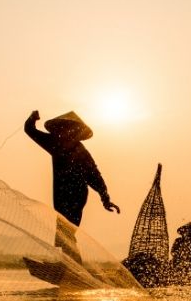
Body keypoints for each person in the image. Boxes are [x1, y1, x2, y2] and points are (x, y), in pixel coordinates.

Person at [25, 110, 120, 261]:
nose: (66, 131)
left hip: (76, 194)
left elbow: (94, 175)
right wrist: (32, 118)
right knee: (63, 233)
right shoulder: (56, 143)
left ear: (75, 131)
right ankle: (69, 266)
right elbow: (30, 130)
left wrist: (105, 198)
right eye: (64, 128)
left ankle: (74, 268)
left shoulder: (77, 149)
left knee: (66, 233)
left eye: (70, 129)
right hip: (63, 195)